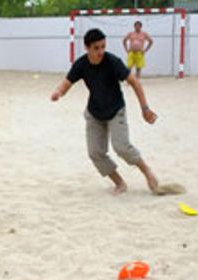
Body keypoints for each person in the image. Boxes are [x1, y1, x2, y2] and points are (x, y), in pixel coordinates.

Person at [52, 28, 160, 195]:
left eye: (103, 47)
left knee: (122, 147)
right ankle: (119, 183)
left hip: (116, 110)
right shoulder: (81, 64)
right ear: (87, 48)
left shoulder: (113, 62)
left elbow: (135, 83)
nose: (101, 51)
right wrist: (59, 92)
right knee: (95, 153)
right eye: (96, 48)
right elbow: (67, 83)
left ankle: (147, 172)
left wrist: (145, 108)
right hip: (94, 113)